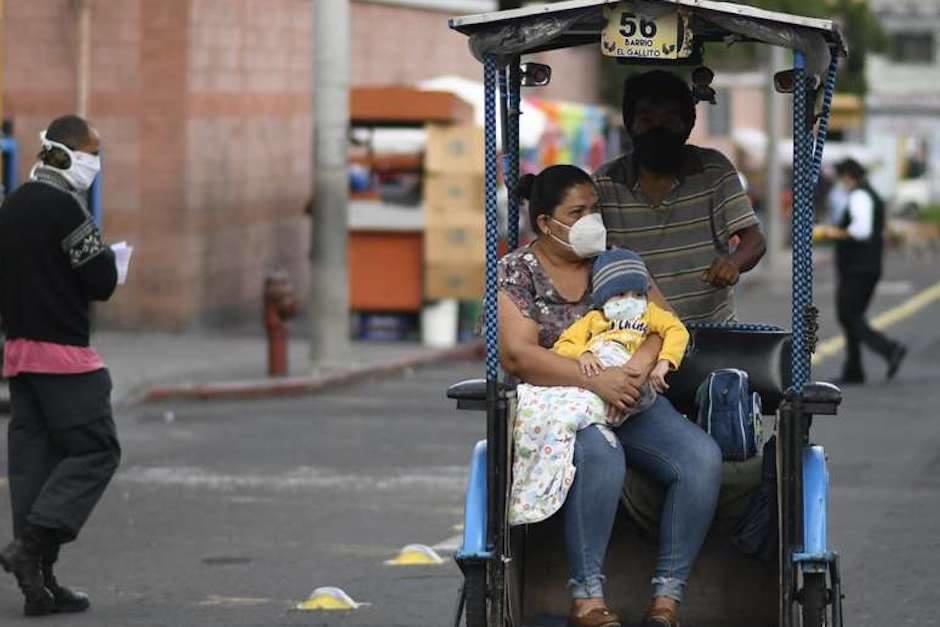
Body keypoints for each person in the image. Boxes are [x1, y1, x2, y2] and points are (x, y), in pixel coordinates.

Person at [499, 165, 721, 627]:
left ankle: (667, 598)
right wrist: (595, 381)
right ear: (545, 223)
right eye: (578, 212)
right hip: (564, 407)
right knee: (602, 453)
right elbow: (518, 356)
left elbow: (664, 324)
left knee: (701, 458)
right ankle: (587, 599)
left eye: (594, 210)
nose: (591, 221)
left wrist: (637, 368)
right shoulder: (517, 272)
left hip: (631, 396)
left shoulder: (617, 260)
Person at [0, 115, 121, 616]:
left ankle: (40, 586)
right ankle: (31, 548)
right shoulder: (67, 209)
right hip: (65, 357)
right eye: (92, 152)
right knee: (96, 450)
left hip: (19, 356)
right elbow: (101, 280)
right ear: (67, 153)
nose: (96, 161)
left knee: (34, 465)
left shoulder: (11, 207)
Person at [509, 248, 690, 527]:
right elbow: (566, 345)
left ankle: (670, 572)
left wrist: (663, 362)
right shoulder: (594, 320)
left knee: (698, 456)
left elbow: (676, 330)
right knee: (589, 441)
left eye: (637, 294)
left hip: (635, 386)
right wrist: (584, 356)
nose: (630, 301)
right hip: (594, 382)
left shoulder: (650, 314)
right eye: (619, 295)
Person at [595, 70, 767, 323]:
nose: (657, 128)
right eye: (646, 118)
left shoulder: (713, 170)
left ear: (688, 124)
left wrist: (733, 263)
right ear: (630, 124)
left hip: (709, 332)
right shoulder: (604, 182)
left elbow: (755, 240)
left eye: (669, 118)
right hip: (631, 334)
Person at [814, 158, 907, 383]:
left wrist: (828, 233)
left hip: (858, 267)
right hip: (866, 267)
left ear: (847, 175)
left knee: (849, 315)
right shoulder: (869, 194)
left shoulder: (859, 196)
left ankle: (889, 349)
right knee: (851, 317)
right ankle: (854, 369)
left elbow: (860, 230)